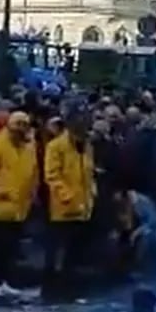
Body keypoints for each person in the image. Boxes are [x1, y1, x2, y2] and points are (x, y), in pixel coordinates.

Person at [0, 110, 39, 297]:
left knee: (12, 246)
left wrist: (31, 193)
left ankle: (5, 281)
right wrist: (2, 189)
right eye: (17, 124)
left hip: (20, 206)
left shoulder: (29, 147)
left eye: (24, 124)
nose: (21, 128)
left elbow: (33, 172)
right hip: (0, 205)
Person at [43, 113, 96, 289]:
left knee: (75, 249)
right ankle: (53, 284)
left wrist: (92, 192)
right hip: (63, 208)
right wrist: (67, 196)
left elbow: (88, 172)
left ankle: (70, 282)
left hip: (84, 207)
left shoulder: (87, 146)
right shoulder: (56, 146)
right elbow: (52, 175)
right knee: (58, 248)